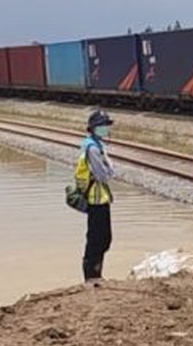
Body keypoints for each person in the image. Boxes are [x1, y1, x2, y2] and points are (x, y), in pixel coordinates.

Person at [76, 109, 116, 281]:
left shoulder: (96, 145)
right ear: (94, 128)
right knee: (97, 239)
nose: (106, 129)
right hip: (96, 200)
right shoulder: (92, 148)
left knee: (103, 238)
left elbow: (109, 171)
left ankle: (96, 274)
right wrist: (108, 168)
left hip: (100, 199)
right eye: (103, 126)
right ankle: (92, 276)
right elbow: (104, 175)